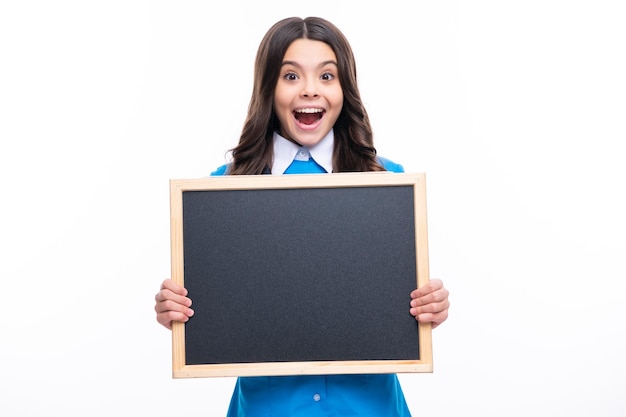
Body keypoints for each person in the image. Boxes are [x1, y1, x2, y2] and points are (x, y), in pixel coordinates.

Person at [154, 16, 450, 417]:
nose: (310, 89)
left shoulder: (387, 181)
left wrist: (428, 305)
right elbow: (212, 313)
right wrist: (179, 310)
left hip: (369, 407)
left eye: (327, 76)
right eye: (291, 76)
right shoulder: (222, 191)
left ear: (344, 89)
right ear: (268, 89)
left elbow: (398, 305)